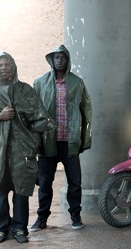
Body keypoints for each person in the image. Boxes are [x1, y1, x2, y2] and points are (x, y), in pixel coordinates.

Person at [0, 52, 53, 244]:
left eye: (7, 65)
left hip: (21, 151)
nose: (3, 68)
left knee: (21, 190)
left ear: (13, 67)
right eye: (0, 65)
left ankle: (19, 229)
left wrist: (30, 132)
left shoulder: (25, 91)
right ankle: (1, 230)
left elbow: (43, 119)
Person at [31, 45, 92, 232]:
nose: (59, 60)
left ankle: (75, 215)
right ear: (52, 59)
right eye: (56, 57)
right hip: (47, 141)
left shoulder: (77, 83)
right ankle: (41, 218)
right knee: (45, 182)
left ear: (67, 60)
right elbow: (33, 114)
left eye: (62, 57)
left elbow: (86, 112)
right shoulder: (40, 83)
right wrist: (35, 141)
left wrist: (84, 139)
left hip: (70, 141)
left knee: (74, 182)